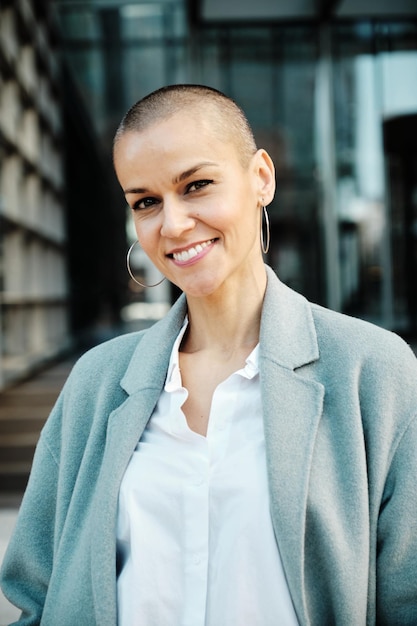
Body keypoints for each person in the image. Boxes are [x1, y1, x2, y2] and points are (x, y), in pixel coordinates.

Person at [1, 84, 417, 626]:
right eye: (145, 202)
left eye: (195, 185)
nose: (171, 225)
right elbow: (37, 594)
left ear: (260, 178)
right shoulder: (96, 383)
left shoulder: (374, 372)